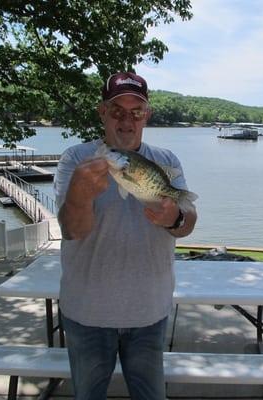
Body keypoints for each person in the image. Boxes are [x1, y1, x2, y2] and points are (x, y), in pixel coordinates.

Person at [54, 71, 197, 400]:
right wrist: (78, 195)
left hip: (149, 313)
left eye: (136, 112)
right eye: (117, 111)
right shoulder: (76, 160)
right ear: (102, 112)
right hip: (86, 314)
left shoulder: (166, 161)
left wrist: (174, 217)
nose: (126, 121)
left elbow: (188, 223)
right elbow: (72, 230)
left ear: (147, 115)